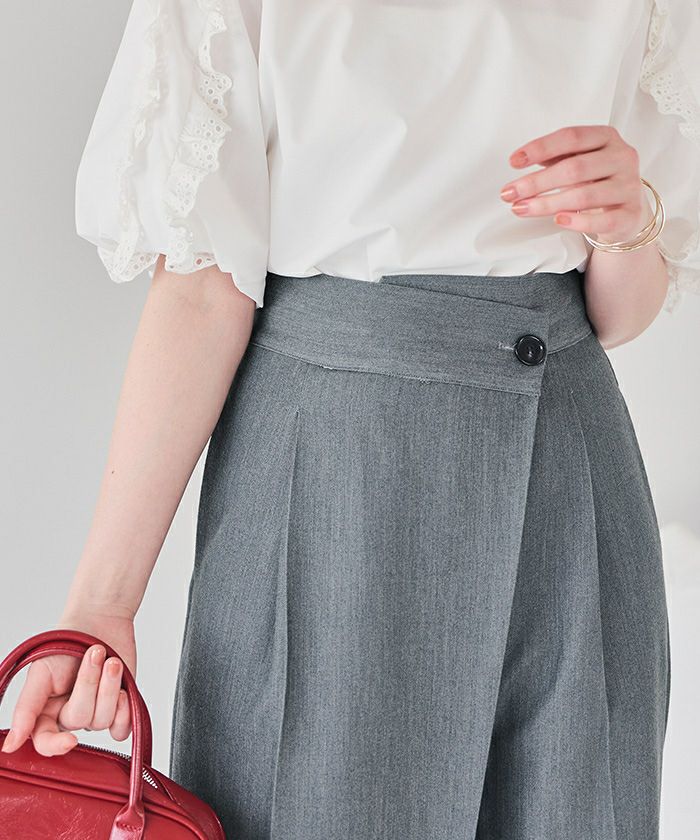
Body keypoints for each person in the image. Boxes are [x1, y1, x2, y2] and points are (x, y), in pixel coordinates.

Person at [3, 1, 699, 838]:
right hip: (333, 475)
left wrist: (628, 225)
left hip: (568, 469)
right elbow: (202, 288)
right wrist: (101, 604)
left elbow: (618, 315)